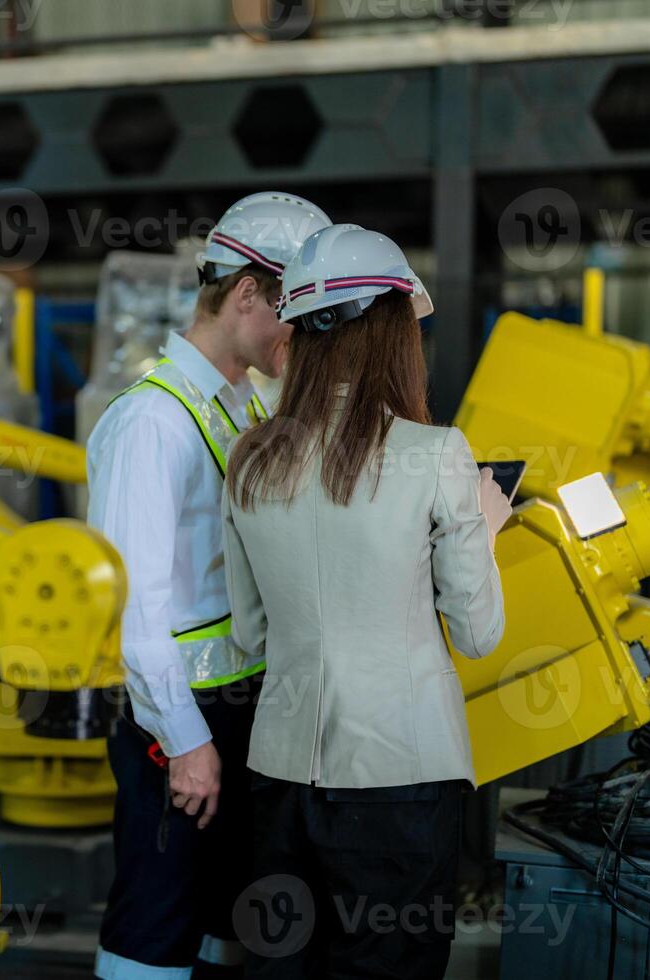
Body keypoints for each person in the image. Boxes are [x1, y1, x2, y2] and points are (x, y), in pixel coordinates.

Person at [220, 224, 512, 979]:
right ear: (392, 331)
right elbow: (479, 634)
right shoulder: (434, 454)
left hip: (279, 778)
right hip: (400, 784)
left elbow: (250, 634)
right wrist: (482, 522)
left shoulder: (249, 457)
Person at [87, 192, 333, 979]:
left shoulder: (239, 407)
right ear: (247, 294)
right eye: (292, 311)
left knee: (220, 921)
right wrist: (187, 742)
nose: (300, 333)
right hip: (177, 723)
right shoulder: (150, 423)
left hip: (236, 710)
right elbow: (136, 608)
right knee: (155, 919)